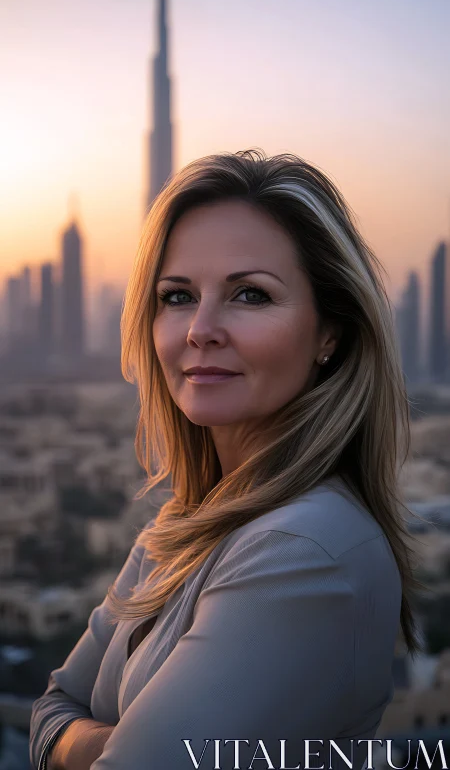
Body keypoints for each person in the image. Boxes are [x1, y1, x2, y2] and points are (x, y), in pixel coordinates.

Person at [29, 149, 424, 770]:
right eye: (178, 295)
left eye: (250, 294)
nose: (200, 329)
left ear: (331, 332)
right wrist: (98, 739)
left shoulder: (304, 551)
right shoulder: (185, 523)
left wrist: (88, 742)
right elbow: (51, 706)